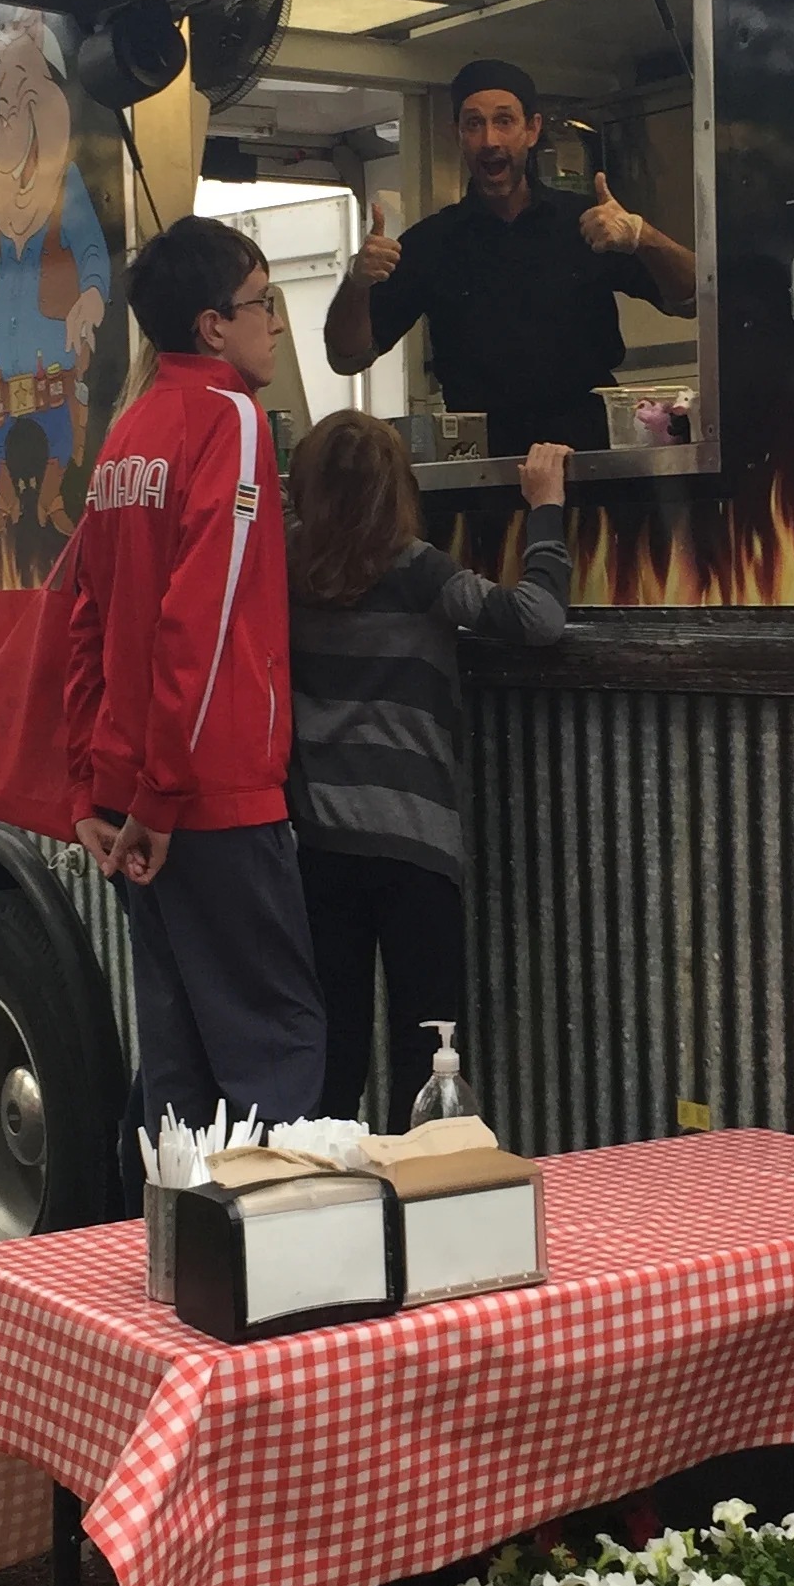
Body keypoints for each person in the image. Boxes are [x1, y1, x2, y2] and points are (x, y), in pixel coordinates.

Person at [64, 215, 326, 1130]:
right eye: (264, 304)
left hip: (141, 801)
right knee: (275, 1047)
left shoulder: (129, 431)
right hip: (207, 796)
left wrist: (99, 790)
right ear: (213, 325)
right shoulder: (233, 419)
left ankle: (173, 1263)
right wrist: (164, 796)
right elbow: (203, 618)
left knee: (178, 1064)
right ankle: (281, 1268)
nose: (277, 325)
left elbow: (87, 617)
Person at [286, 416, 571, 1120]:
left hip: (320, 847)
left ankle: (324, 1200)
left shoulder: (283, 571)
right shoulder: (418, 569)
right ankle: (410, 1209)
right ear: (398, 492)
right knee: (426, 1051)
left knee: (333, 1049)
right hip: (417, 849)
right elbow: (538, 619)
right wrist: (545, 510)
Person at [323, 57, 697, 452]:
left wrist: (643, 235)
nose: (490, 141)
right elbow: (347, 356)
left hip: (588, 453)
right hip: (482, 463)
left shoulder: (585, 223)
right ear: (458, 135)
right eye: (474, 124)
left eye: (504, 121)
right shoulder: (431, 243)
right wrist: (356, 282)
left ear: (532, 129)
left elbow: (693, 298)